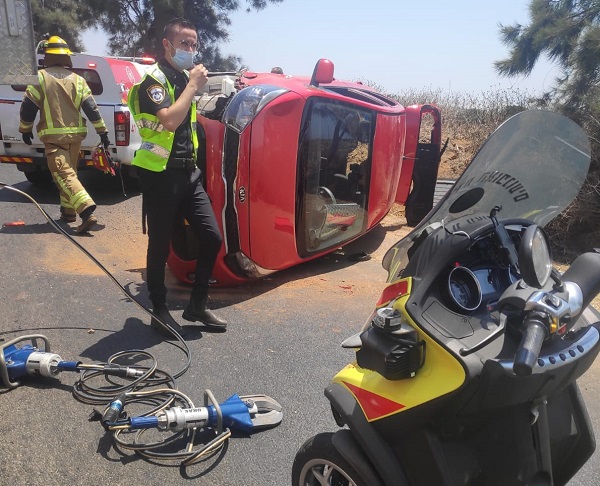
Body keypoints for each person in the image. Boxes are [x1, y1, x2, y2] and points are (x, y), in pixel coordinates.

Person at [128, 18, 227, 337]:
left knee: (211, 237)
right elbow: (169, 121)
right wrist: (193, 87)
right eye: (185, 43)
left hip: (188, 173)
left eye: (195, 44)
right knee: (159, 245)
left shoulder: (184, 78)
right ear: (167, 45)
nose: (191, 49)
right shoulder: (152, 82)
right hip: (159, 174)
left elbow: (188, 125)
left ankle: (196, 305)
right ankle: (158, 308)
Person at [19, 36, 110, 233]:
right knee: (70, 173)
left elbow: (28, 107)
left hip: (54, 139)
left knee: (63, 174)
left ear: (47, 56)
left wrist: (25, 129)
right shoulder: (79, 80)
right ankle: (68, 213)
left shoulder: (40, 78)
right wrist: (103, 132)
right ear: (66, 57)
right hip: (76, 137)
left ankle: (86, 212)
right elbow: (91, 109)